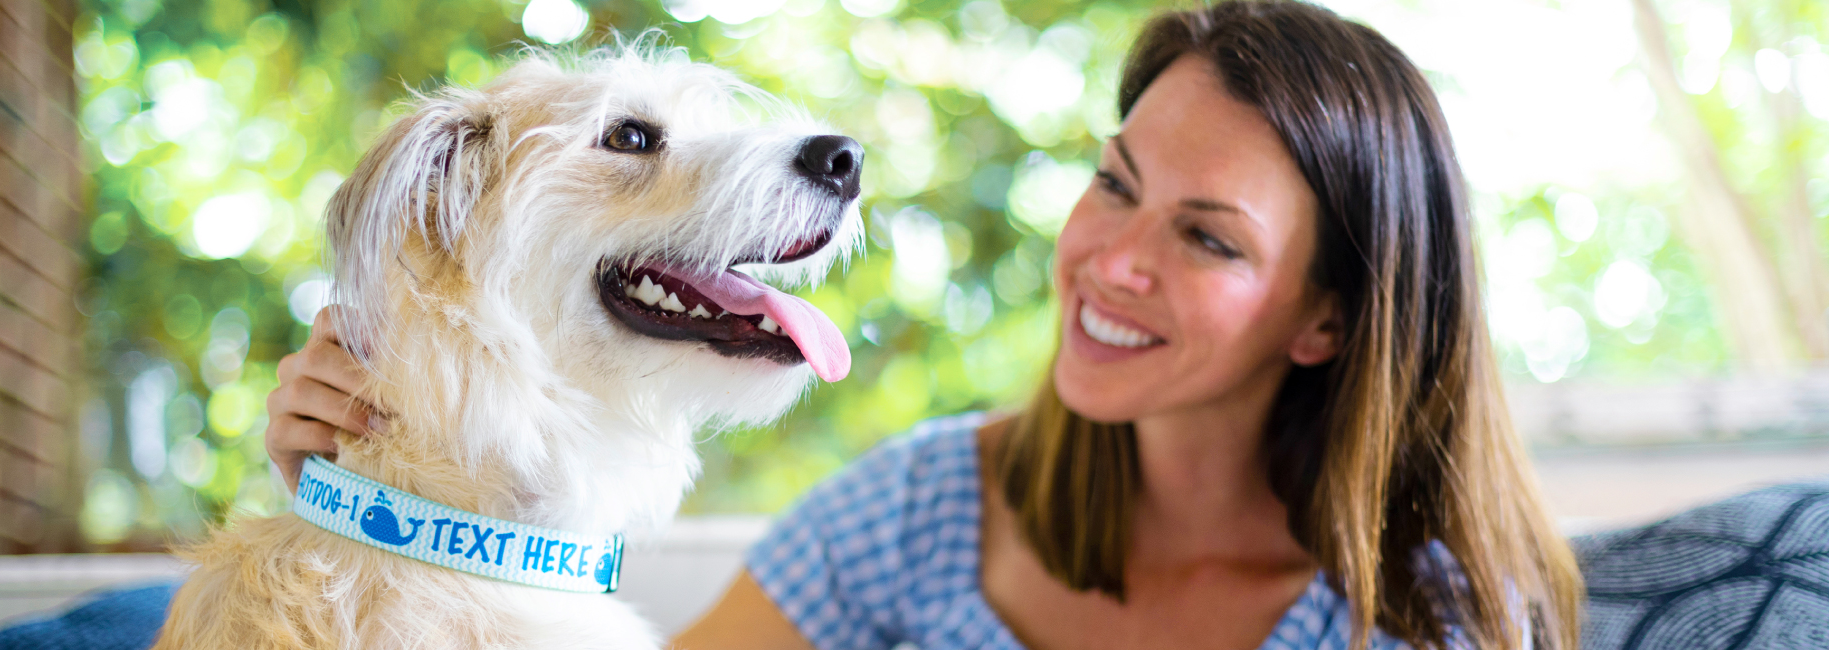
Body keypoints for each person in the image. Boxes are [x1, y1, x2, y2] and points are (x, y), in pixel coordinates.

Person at [214, 2, 1584, 650]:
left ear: (1328, 322)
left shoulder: (1427, 618)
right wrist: (389, 492)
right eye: (1116, 183)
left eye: (1207, 236)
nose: (1110, 257)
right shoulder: (923, 506)